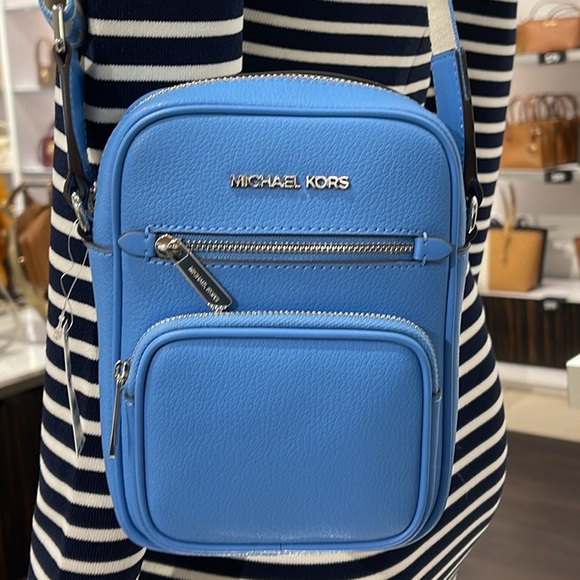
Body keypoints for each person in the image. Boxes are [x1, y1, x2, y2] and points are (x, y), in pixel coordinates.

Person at [29, 1, 516, 578]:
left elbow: (112, 255)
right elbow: (472, 167)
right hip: (433, 426)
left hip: (226, 499)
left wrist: (80, 553)